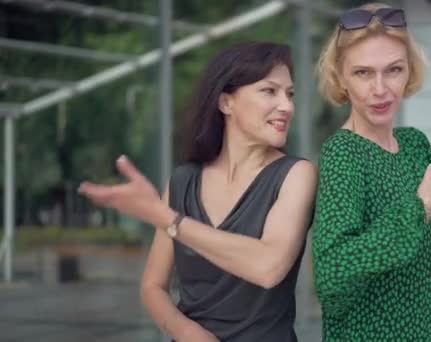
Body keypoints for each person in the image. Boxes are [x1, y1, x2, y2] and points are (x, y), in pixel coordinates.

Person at [78, 41, 317, 342]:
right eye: (270, 91)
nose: (287, 106)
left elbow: (268, 267)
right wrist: (187, 332)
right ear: (226, 103)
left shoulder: (296, 174)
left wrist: (168, 219)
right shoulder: (183, 181)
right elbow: (153, 286)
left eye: (289, 94)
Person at [312, 3, 431, 341]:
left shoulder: (415, 144)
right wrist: (422, 207)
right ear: (340, 76)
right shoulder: (343, 154)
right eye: (363, 73)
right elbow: (332, 274)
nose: (380, 88)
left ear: (410, 71)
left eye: (393, 70)